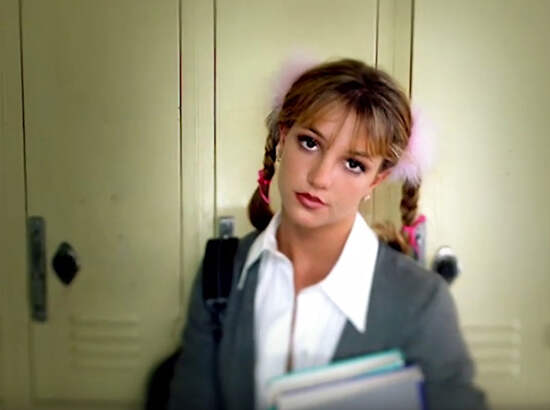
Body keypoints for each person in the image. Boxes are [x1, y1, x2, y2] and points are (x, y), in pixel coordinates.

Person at [168, 57, 488, 410]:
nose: (319, 178)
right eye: (310, 143)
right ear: (284, 137)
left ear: (376, 180)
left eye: (353, 164)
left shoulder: (423, 300)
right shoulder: (221, 273)